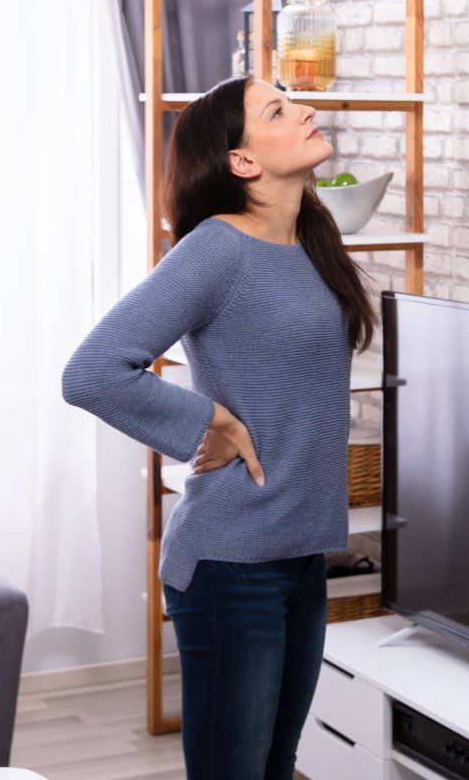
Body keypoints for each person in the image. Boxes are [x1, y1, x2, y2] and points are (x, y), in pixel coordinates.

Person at [62, 76, 378, 780]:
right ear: (241, 161)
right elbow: (91, 371)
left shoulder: (312, 241)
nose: (306, 111)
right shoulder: (216, 250)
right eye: (278, 110)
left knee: (274, 769)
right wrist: (211, 419)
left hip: (299, 557)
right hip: (231, 565)